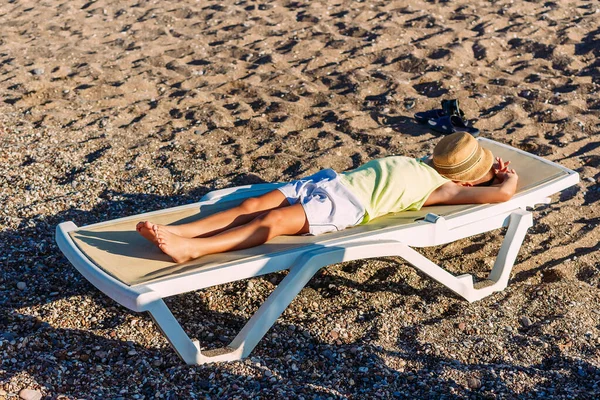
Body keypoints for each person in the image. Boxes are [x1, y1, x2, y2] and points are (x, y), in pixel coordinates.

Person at [137, 132, 518, 263]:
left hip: (344, 206)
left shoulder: (443, 189)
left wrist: (506, 180)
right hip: (326, 182)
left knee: (269, 223)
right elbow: (453, 158)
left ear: (466, 184)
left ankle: (194, 250)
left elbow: (501, 195)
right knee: (251, 205)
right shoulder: (429, 164)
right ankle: (179, 231)